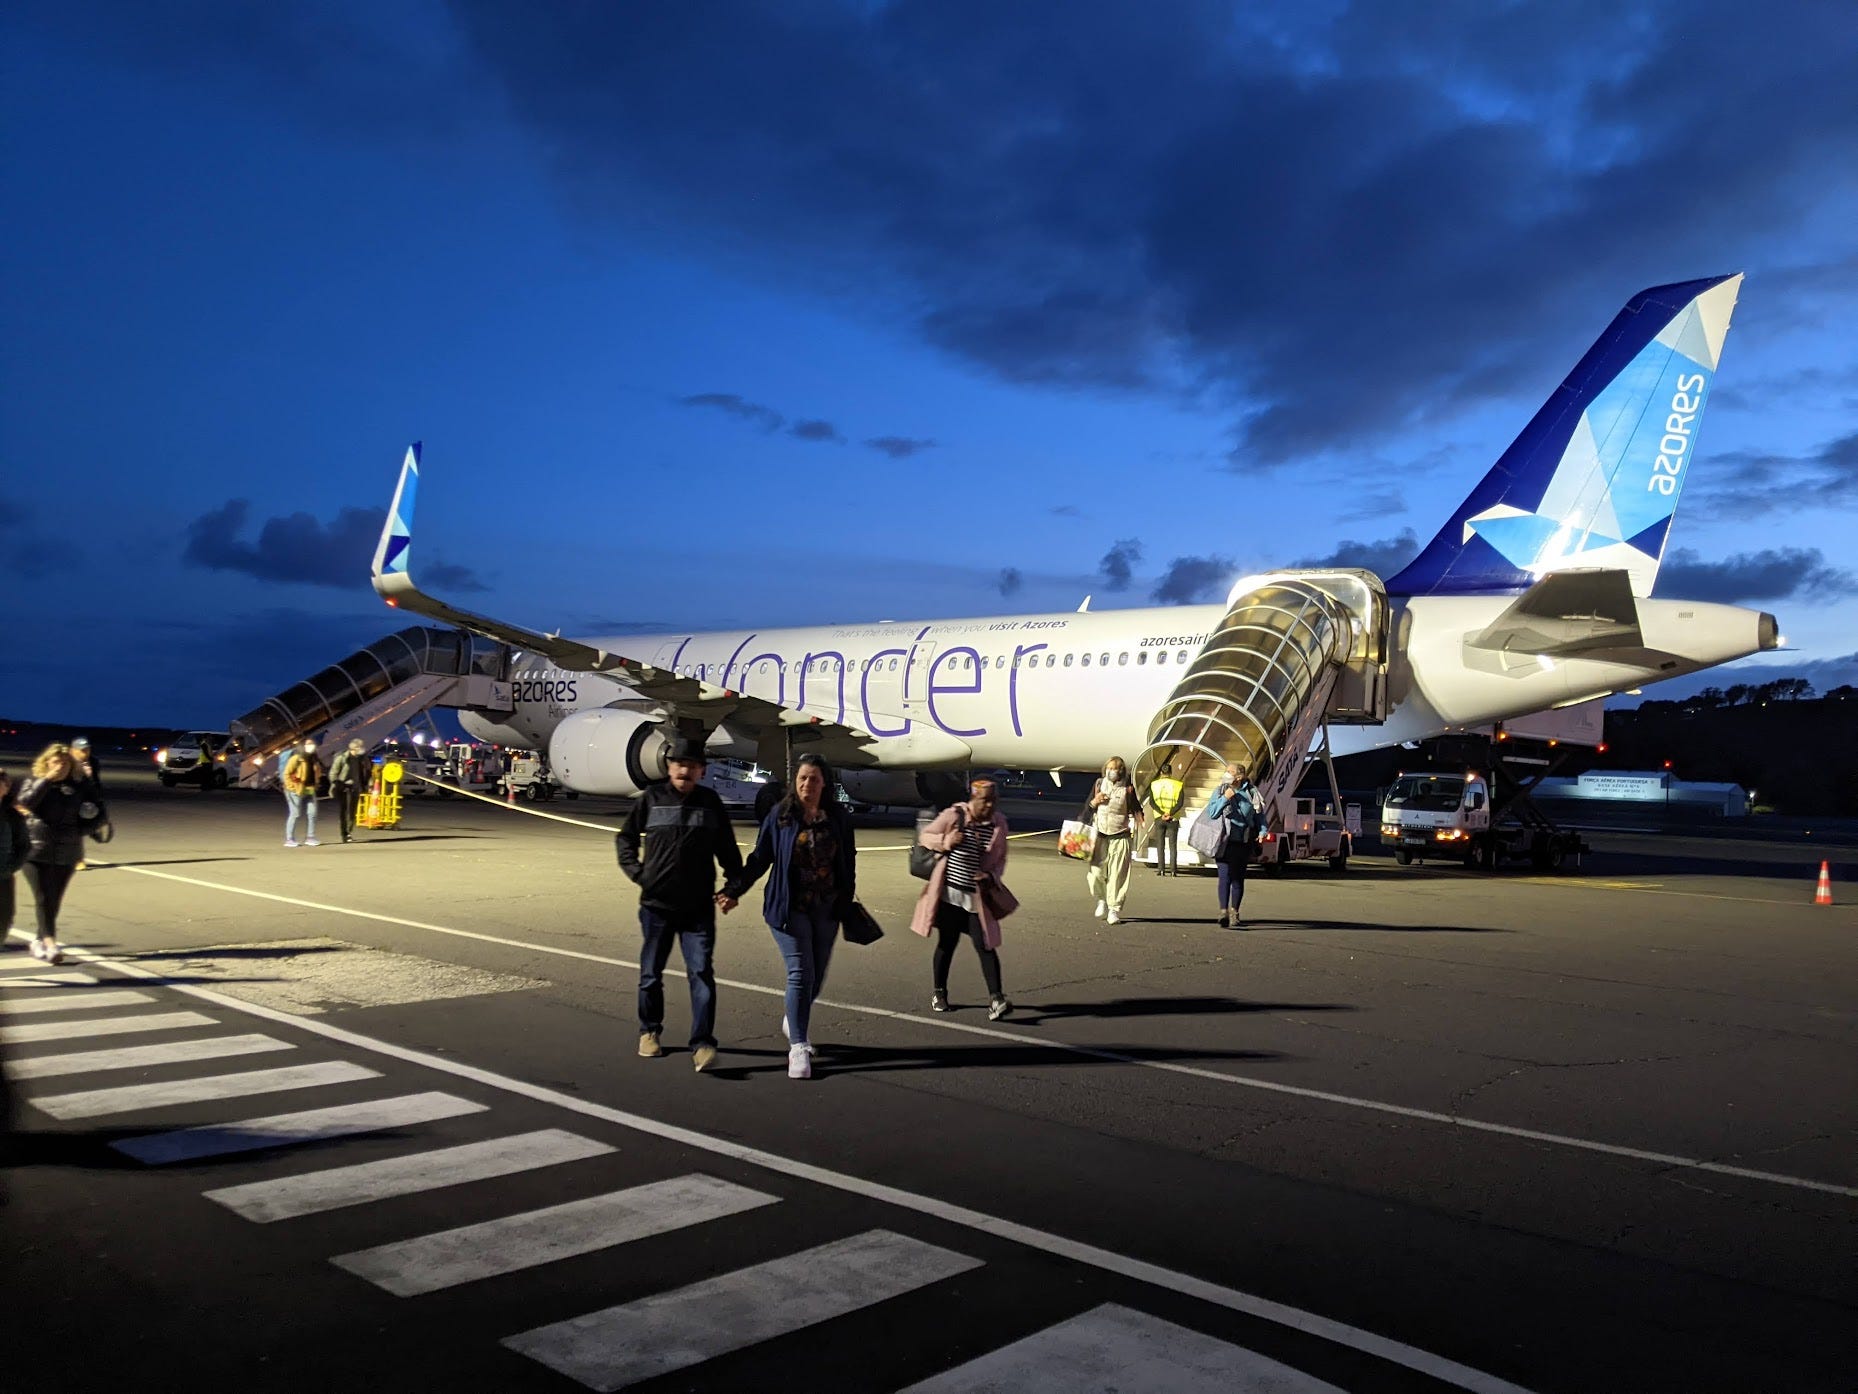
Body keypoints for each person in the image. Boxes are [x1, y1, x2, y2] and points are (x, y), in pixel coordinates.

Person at [615, 734, 744, 1072]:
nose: (684, 770)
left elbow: (728, 851)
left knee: (701, 974)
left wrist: (733, 888)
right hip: (656, 906)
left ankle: (702, 1043)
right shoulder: (651, 799)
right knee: (650, 974)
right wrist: (639, 874)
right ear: (669, 767)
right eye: (679, 764)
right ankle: (649, 1032)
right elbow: (625, 838)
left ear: (702, 771)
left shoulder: (710, 803)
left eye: (692, 765)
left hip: (698, 909)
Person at [723, 754, 856, 1080]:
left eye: (814, 779)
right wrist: (734, 890)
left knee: (816, 976)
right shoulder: (780, 816)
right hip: (788, 907)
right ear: (794, 783)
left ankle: (794, 1017)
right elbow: (759, 858)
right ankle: (798, 1046)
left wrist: (846, 898)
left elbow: (848, 861)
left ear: (824, 783)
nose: (807, 784)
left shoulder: (838, 817)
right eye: (802, 779)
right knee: (801, 972)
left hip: (826, 908)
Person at [911, 774, 1016, 1019]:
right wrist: (946, 840)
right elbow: (925, 836)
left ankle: (997, 999)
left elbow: (1000, 859)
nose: (989, 805)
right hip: (949, 896)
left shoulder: (999, 824)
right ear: (973, 798)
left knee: (985, 945)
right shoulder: (955, 815)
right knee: (947, 944)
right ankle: (939, 993)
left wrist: (991, 876)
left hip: (974, 898)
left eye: (993, 801)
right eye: (985, 801)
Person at [14, 744, 98, 964]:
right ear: (46, 763)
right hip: (36, 850)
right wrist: (46, 780)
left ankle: (38, 940)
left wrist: (80, 830)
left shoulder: (79, 787)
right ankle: (51, 943)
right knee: (43, 897)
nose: (61, 766)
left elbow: (99, 813)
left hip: (67, 851)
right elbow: (25, 803)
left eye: (65, 763)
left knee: (54, 899)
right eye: (56, 762)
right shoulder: (33, 782)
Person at [1205, 761, 1264, 928]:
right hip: (1224, 841)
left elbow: (1259, 815)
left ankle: (1234, 912)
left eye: (1229, 772)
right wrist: (1225, 798)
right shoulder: (1220, 790)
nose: (1226, 774)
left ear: (1239, 776)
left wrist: (1262, 831)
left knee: (1237, 879)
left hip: (1243, 842)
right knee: (1224, 877)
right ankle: (1223, 911)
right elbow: (1212, 813)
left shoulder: (1252, 792)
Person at [1085, 756, 1143, 924]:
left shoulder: (1127, 789)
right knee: (1096, 872)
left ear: (1121, 771)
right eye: (1109, 768)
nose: (1111, 771)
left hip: (1120, 835)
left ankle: (1114, 909)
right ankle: (1101, 899)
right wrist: (1095, 802)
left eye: (1115, 769)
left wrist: (1140, 819)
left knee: (1118, 875)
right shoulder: (1098, 784)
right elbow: (1087, 807)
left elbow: (1136, 808)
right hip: (1100, 835)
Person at [0, 768, 27, 949]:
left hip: (3, 876)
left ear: (6, 788)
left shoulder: (12, 816)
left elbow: (23, 846)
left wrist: (10, 868)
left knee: (5, 917)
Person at [282, 738, 326, 848]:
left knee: (312, 813)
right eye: (308, 744)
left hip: (310, 789)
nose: (311, 746)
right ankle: (289, 839)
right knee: (295, 814)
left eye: (312, 744)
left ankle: (310, 837)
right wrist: (292, 787)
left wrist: (316, 782)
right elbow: (286, 774)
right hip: (296, 790)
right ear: (302, 746)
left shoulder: (314, 758)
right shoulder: (296, 758)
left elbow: (317, 772)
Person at [328, 739, 368, 843]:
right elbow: (333, 773)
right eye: (360, 747)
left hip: (356, 788)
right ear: (354, 748)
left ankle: (349, 831)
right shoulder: (342, 758)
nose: (362, 749)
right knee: (345, 811)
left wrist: (368, 784)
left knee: (352, 812)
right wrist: (338, 784)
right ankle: (345, 834)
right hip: (344, 788)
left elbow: (365, 772)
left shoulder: (361, 759)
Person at [1148, 761, 1184, 876]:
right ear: (1171, 772)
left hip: (1159, 818)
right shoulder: (1178, 785)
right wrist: (1170, 813)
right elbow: (1180, 803)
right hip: (1173, 817)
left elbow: (1152, 802)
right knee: (1173, 845)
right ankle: (1173, 870)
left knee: (1160, 844)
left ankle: (1161, 869)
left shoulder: (1154, 785)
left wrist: (1162, 813)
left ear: (1161, 772)